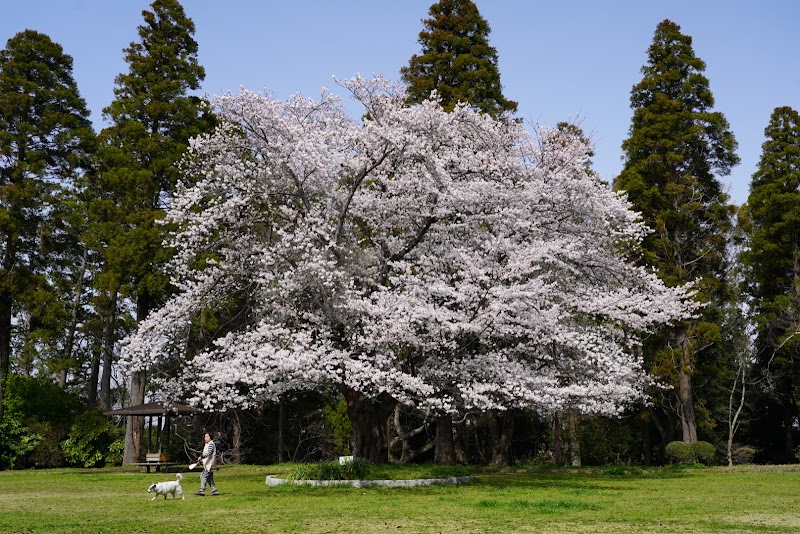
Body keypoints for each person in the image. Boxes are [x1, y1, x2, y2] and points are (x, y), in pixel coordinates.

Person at [195, 431, 219, 496]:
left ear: (210, 437)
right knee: (209, 478)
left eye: (207, 436)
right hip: (207, 464)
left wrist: (201, 456)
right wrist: (201, 459)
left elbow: (209, 453)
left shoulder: (211, 444)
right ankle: (215, 491)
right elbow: (205, 454)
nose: (205, 438)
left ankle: (201, 491)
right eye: (205, 437)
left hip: (210, 464)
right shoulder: (207, 444)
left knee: (203, 476)